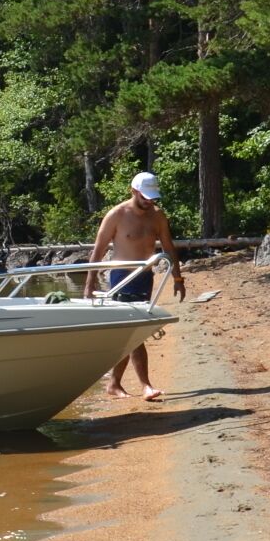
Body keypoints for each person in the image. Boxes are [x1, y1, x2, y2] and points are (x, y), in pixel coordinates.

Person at [87, 170, 186, 400]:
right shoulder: (117, 215)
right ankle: (145, 386)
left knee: (129, 333)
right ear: (134, 191)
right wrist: (89, 284)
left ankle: (114, 384)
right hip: (121, 278)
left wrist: (178, 279)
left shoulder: (157, 216)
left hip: (144, 278)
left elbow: (169, 247)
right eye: (145, 197)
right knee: (135, 331)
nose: (149, 201)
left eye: (152, 198)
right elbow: (98, 250)